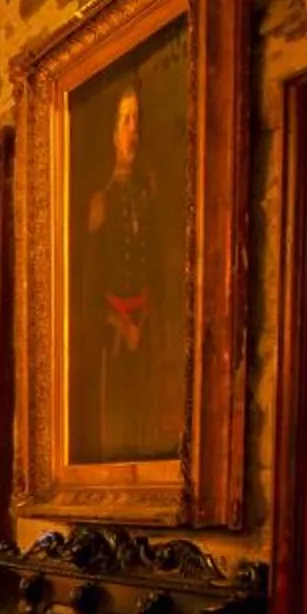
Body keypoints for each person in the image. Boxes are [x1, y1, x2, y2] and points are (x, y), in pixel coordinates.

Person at [76, 72, 186, 462]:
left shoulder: (151, 193)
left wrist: (149, 317)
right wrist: (119, 322)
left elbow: (160, 262)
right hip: (113, 329)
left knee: (148, 410)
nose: (133, 129)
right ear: (112, 133)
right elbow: (90, 281)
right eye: (126, 120)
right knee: (117, 409)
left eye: (137, 119)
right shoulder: (101, 200)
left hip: (147, 320)